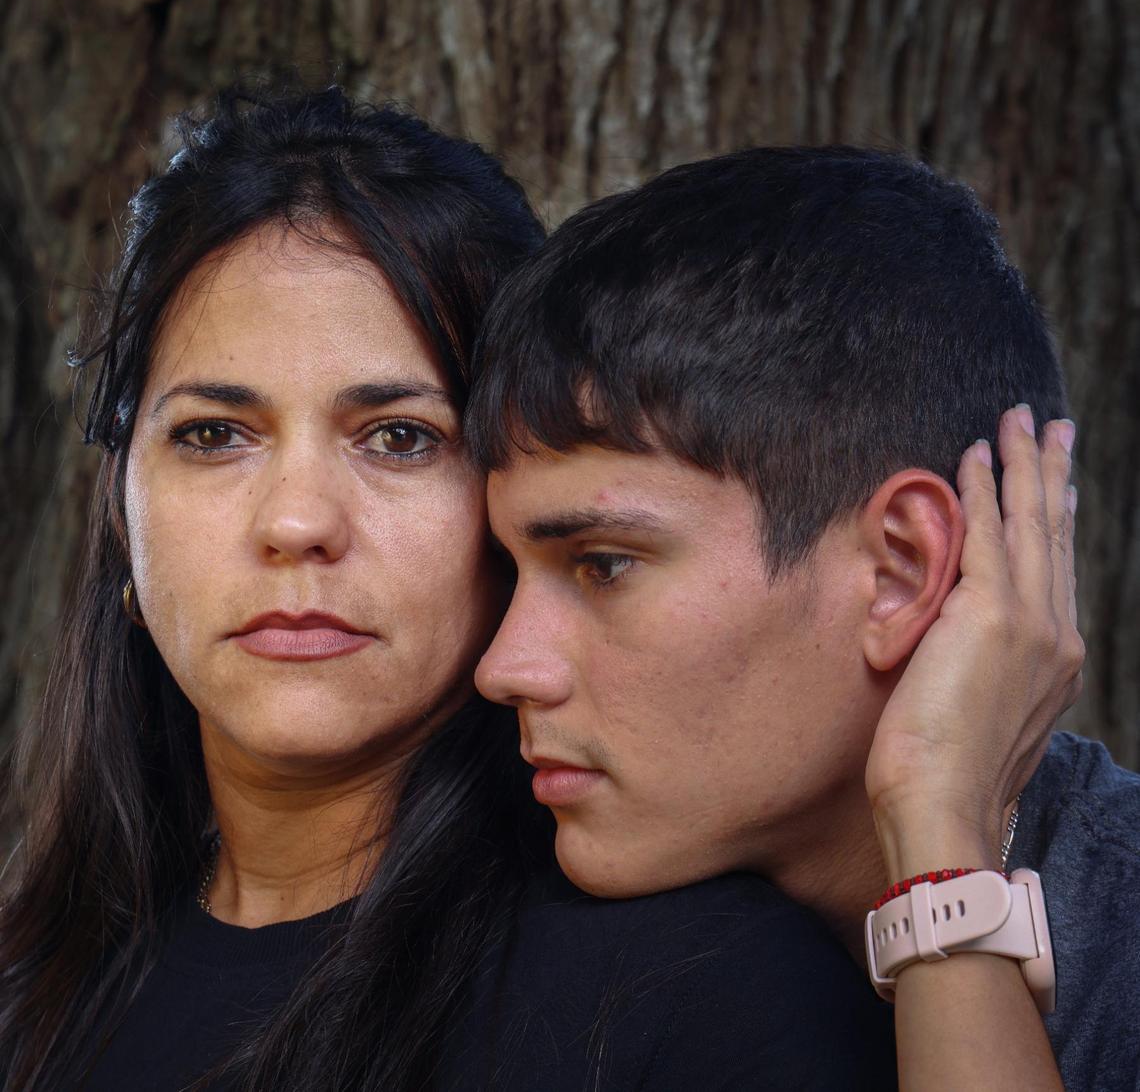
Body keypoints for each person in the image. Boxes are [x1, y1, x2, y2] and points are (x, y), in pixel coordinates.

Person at [0, 88, 906, 1092]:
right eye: (214, 435)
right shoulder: (30, 995)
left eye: (400, 437)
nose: (298, 522)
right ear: (122, 521)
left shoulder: (704, 1001)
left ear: (514, 508)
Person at [468, 145, 1139, 1091]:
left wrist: (939, 829)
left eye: (604, 564)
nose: (503, 666)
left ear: (899, 571)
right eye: (509, 570)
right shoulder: (504, 916)